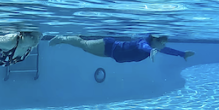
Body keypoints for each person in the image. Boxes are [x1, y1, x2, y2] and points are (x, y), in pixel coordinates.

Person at [49, 34, 194, 63]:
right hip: (109, 46)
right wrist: (151, 52)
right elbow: (142, 47)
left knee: (86, 48)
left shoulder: (156, 47)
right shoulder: (144, 43)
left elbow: (167, 50)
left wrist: (182, 54)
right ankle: (62, 39)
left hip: (111, 54)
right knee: (85, 45)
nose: (163, 45)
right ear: (155, 39)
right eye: (162, 41)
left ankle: (69, 38)